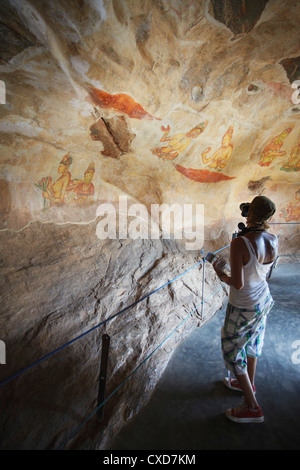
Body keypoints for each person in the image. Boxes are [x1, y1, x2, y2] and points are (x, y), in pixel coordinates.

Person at [212, 195, 278, 423]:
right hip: (263, 299)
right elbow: (259, 271)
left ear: (249, 213)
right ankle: (248, 383)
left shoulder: (241, 242)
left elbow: (237, 283)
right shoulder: (273, 239)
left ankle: (252, 407)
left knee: (231, 350)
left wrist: (219, 271)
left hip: (243, 305)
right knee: (252, 343)